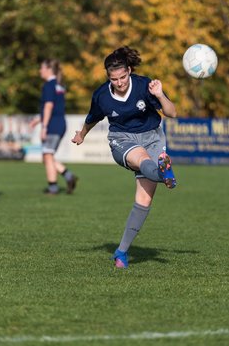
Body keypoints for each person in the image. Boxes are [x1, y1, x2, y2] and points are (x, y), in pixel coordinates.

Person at [71, 46, 177, 268]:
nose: (119, 83)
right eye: (114, 79)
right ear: (108, 77)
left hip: (152, 137)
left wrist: (159, 94)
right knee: (141, 160)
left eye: (123, 77)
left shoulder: (144, 85)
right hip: (122, 139)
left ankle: (121, 252)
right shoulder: (101, 95)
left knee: (144, 200)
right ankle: (161, 172)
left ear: (129, 70)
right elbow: (93, 118)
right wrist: (81, 134)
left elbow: (171, 112)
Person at [30, 59, 77, 195]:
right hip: (60, 123)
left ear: (49, 69)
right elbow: (55, 108)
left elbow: (49, 106)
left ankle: (53, 187)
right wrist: (38, 120)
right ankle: (68, 176)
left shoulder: (49, 85)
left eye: (41, 68)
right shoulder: (59, 85)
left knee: (47, 155)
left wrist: (44, 127)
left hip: (52, 126)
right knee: (47, 156)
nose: (40, 70)